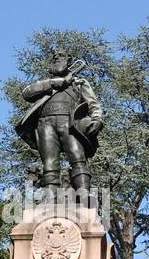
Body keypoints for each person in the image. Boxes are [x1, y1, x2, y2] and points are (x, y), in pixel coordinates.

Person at [15, 53, 104, 190]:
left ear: (68, 62)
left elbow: (93, 104)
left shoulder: (79, 83)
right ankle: (51, 194)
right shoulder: (44, 85)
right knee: (49, 162)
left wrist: (97, 119)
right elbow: (27, 93)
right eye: (54, 58)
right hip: (45, 124)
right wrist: (52, 83)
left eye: (61, 57)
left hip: (70, 123)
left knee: (77, 157)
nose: (56, 59)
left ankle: (84, 193)